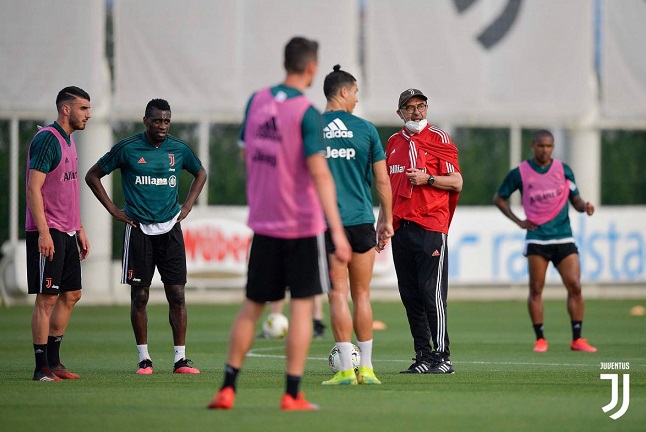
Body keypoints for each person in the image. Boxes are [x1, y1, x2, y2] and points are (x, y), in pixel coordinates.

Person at [207, 36, 351, 411]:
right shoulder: (307, 113)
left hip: (264, 223)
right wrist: (336, 230)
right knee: (302, 308)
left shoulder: (256, 101)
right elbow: (320, 175)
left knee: (252, 306)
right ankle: (291, 394)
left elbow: (246, 155)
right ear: (311, 68)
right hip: (302, 227)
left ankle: (227, 388)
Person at [85, 98, 207, 374]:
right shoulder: (128, 148)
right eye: (157, 120)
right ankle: (144, 359)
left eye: (166, 121)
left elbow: (200, 172)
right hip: (138, 230)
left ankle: (180, 360)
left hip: (170, 229)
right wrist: (114, 210)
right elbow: (93, 175)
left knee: (177, 294)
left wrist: (187, 206)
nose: (162, 126)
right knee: (139, 296)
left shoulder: (179, 149)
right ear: (145, 121)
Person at [320, 65, 393, 385]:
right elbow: (382, 180)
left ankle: (346, 371)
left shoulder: (310, 128)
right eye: (355, 92)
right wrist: (386, 219)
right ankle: (366, 368)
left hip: (327, 223)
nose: (357, 99)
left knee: (338, 294)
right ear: (343, 92)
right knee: (362, 294)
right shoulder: (366, 130)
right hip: (362, 220)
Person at [380, 88, 462, 374]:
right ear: (399, 112)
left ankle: (443, 356)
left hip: (431, 225)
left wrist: (428, 179)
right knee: (410, 294)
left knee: (431, 292)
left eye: (421, 106)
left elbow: (457, 182)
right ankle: (423, 356)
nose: (416, 112)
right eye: (410, 107)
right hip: (402, 227)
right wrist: (383, 222)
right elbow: (388, 188)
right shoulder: (392, 143)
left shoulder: (439, 138)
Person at [493, 129, 597, 353]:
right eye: (541, 146)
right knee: (536, 289)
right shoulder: (520, 172)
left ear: (553, 147)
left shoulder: (564, 170)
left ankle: (577, 339)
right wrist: (519, 221)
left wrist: (584, 207)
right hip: (537, 239)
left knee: (575, 286)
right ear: (533, 146)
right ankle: (540, 339)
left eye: (549, 146)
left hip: (563, 236)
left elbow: (575, 199)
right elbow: (499, 198)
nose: (545, 150)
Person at [26, 86, 91, 381]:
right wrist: (43, 233)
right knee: (47, 298)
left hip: (66, 230)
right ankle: (41, 368)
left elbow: (69, 189)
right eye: (83, 109)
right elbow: (33, 188)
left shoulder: (69, 141)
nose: (88, 115)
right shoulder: (47, 141)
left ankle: (55, 362)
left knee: (72, 294)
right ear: (66, 109)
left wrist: (78, 227)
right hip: (48, 230)